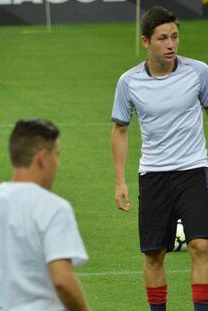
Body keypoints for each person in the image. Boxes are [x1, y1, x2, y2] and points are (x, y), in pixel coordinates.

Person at [110, 6, 208, 311]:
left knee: (201, 246)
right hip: (153, 175)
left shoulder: (199, 72)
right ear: (145, 42)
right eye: (163, 38)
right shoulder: (128, 82)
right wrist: (120, 180)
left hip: (193, 169)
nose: (171, 44)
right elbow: (120, 130)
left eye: (175, 37)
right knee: (153, 254)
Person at [0, 119, 90, 311]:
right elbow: (62, 280)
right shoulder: (54, 209)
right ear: (42, 158)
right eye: (56, 155)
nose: (57, 163)